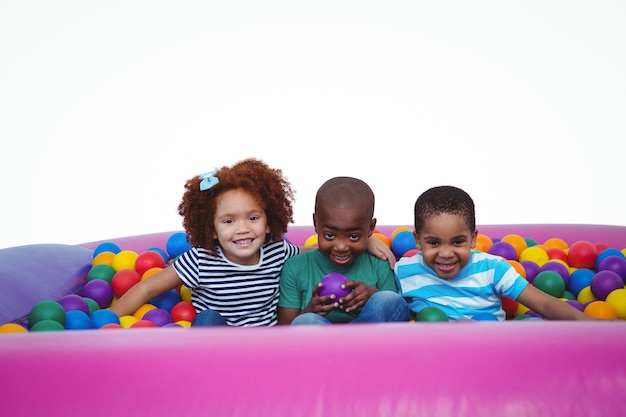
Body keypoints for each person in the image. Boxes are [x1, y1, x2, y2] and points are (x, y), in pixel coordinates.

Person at [110, 159, 394, 327]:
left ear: (269, 222)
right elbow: (148, 286)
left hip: (269, 347)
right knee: (208, 318)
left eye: (253, 218)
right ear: (210, 228)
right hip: (221, 348)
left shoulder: (276, 252)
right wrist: (107, 320)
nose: (242, 229)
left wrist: (364, 243)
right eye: (229, 221)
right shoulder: (200, 260)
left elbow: (320, 249)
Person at [395, 185, 594, 321]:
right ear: (418, 240)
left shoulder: (492, 269)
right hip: (434, 358)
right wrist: (370, 243)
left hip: (490, 355)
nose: (446, 253)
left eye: (457, 242)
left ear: (473, 238)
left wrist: (596, 325)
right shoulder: (404, 272)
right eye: (434, 243)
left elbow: (544, 303)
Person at [278, 177, 410, 325]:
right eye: (330, 235)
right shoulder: (295, 266)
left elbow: (393, 308)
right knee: (306, 320)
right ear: (315, 223)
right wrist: (311, 309)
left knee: (387, 299)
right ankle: (342, 347)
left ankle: (355, 345)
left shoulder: (379, 263)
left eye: (353, 237)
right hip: (320, 343)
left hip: (370, 339)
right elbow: (285, 326)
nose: (341, 247)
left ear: (371, 228)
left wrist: (371, 295)